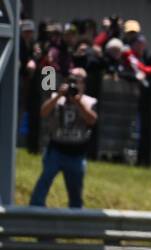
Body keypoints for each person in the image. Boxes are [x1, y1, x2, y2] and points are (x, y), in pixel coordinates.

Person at [29, 68, 99, 209]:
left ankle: (75, 219)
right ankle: (35, 211)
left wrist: (78, 102)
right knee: (44, 181)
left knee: (75, 190)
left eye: (78, 81)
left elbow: (92, 120)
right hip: (56, 149)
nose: (74, 84)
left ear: (83, 84)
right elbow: (43, 112)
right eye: (71, 80)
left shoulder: (89, 101)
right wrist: (57, 96)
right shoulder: (57, 97)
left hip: (77, 153)